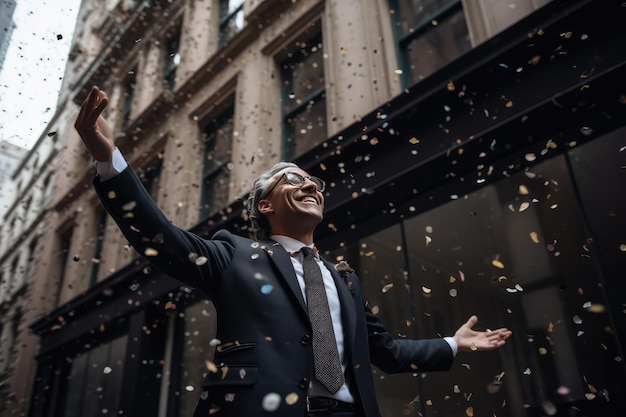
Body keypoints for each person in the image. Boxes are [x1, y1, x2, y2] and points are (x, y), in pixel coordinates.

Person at [75, 86, 512, 417]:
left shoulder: (344, 280)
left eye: (314, 184)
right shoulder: (233, 255)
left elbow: (389, 354)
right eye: (291, 179)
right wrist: (108, 159)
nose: (309, 186)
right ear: (265, 205)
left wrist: (455, 343)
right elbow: (159, 238)